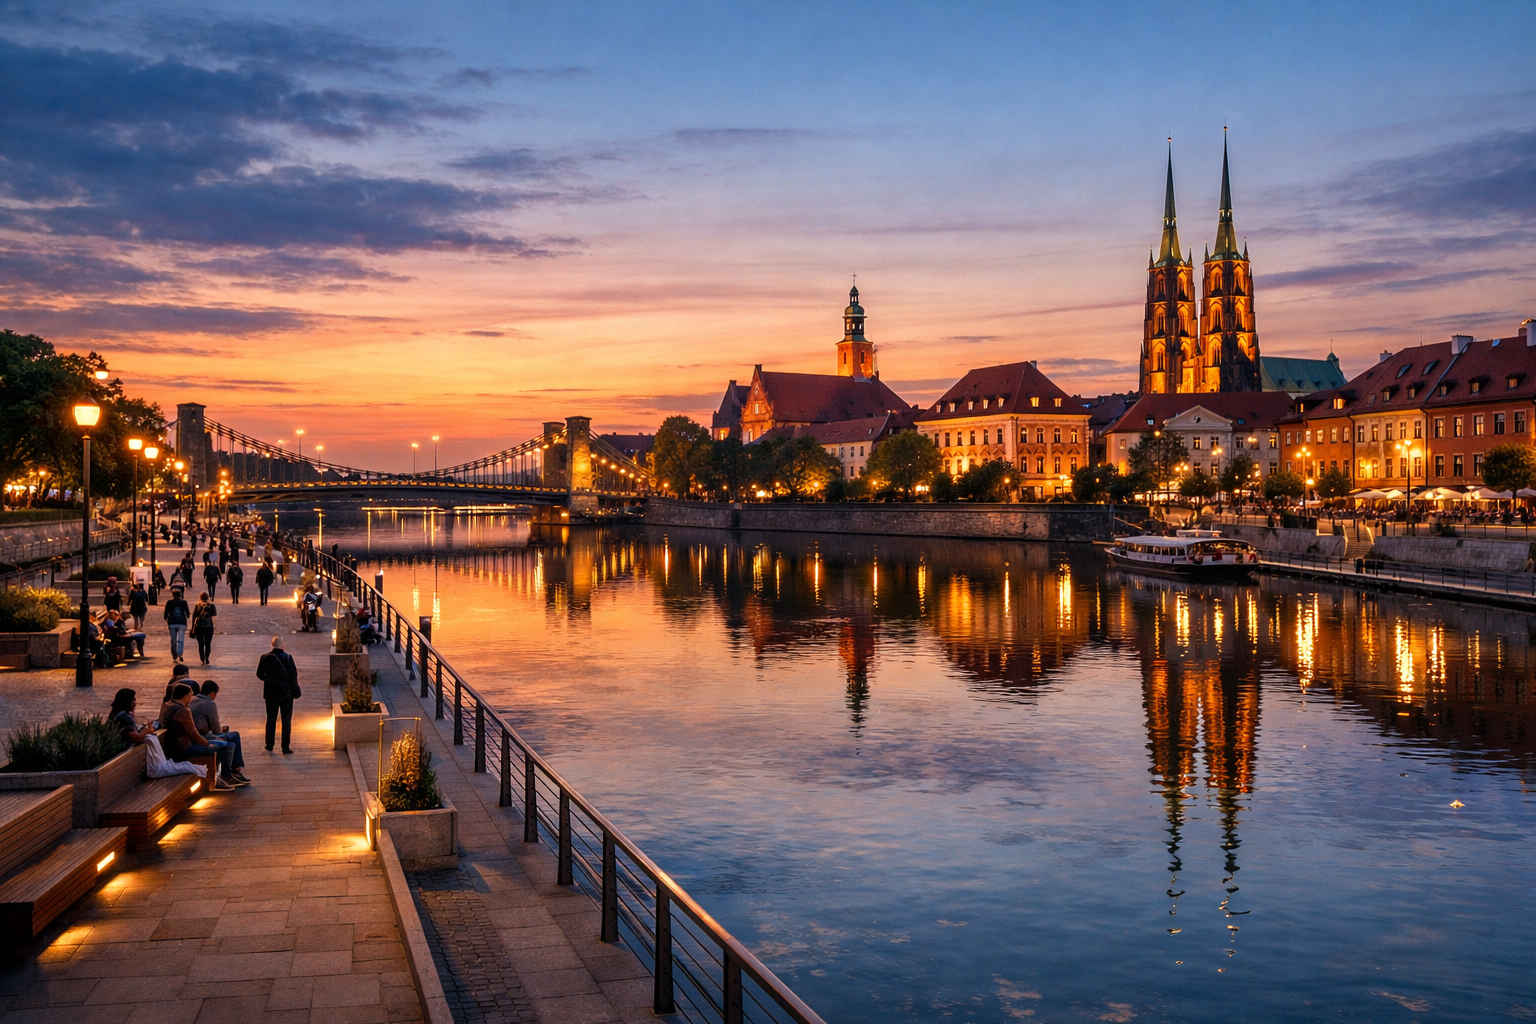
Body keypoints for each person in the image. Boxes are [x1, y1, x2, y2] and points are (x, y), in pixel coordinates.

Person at [161, 682, 237, 791]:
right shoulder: (183, 710)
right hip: (184, 747)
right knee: (225, 745)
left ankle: (220, 776)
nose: (191, 698)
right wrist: (207, 744)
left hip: (171, 746)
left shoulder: (167, 705)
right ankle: (218, 778)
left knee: (223, 743)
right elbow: (193, 733)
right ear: (185, 696)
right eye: (190, 695)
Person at [190, 681, 250, 785]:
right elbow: (216, 731)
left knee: (231, 744)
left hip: (196, 735)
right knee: (234, 735)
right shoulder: (210, 703)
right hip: (202, 737)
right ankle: (235, 770)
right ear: (212, 693)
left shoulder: (192, 700)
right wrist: (222, 730)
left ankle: (232, 772)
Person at [257, 637, 300, 754]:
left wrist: (269, 680)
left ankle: (269, 745)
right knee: (286, 720)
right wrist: (295, 689)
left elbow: (259, 674)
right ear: (283, 645)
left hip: (270, 694)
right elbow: (293, 675)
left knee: (271, 719)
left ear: (271, 645)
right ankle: (285, 747)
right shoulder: (288, 658)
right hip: (286, 694)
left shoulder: (264, 658)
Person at [163, 587, 190, 662]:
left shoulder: (169, 602)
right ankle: (180, 654)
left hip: (172, 623)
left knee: (173, 640)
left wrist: (165, 618)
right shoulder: (184, 602)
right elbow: (187, 613)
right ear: (180, 595)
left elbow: (166, 612)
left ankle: (174, 654)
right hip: (182, 623)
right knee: (180, 640)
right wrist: (187, 617)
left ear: (173, 595)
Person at [191, 592, 217, 666]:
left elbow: (194, 617)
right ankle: (207, 658)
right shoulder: (211, 605)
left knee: (201, 644)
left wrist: (193, 627)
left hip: (199, 627)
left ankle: (202, 659)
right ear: (208, 597)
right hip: (209, 627)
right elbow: (214, 615)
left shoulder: (197, 606)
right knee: (208, 643)